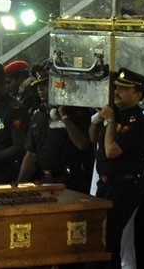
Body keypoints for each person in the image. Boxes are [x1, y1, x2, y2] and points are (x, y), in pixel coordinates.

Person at [76, 68, 144, 269]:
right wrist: (99, 120)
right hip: (107, 184)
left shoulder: (137, 121)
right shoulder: (115, 115)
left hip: (126, 185)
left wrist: (108, 122)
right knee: (106, 244)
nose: (118, 92)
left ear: (138, 94)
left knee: (108, 243)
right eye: (117, 88)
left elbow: (111, 150)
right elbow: (92, 138)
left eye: (125, 89)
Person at [16, 64, 93, 192]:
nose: (40, 89)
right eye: (38, 86)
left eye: (45, 85)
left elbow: (82, 144)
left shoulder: (76, 112)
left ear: (59, 86)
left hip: (70, 181)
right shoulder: (38, 115)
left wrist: (64, 116)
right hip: (45, 180)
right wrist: (19, 185)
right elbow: (31, 154)